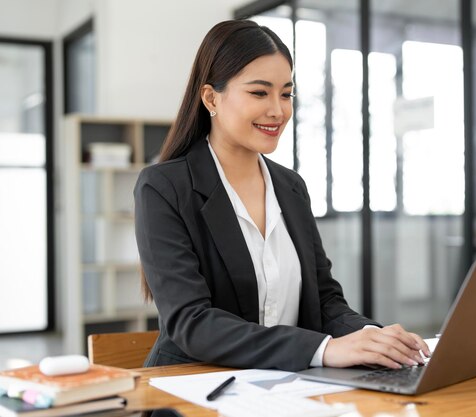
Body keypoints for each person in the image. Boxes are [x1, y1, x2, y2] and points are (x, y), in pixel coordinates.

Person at [134, 19, 430, 372]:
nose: (278, 110)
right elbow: (193, 323)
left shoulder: (291, 188)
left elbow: (324, 301)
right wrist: (324, 350)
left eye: (286, 94)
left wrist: (373, 338)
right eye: (260, 93)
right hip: (193, 387)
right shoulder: (163, 187)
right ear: (212, 97)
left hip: (285, 389)